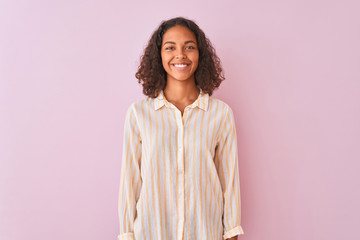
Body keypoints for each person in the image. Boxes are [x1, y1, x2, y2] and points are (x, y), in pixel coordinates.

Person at [118, 17, 244, 240]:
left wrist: (231, 231)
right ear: (159, 56)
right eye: (170, 47)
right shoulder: (139, 114)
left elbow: (229, 179)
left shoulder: (220, 114)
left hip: (205, 232)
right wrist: (127, 234)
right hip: (151, 233)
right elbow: (130, 181)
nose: (180, 55)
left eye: (189, 47)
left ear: (199, 54)